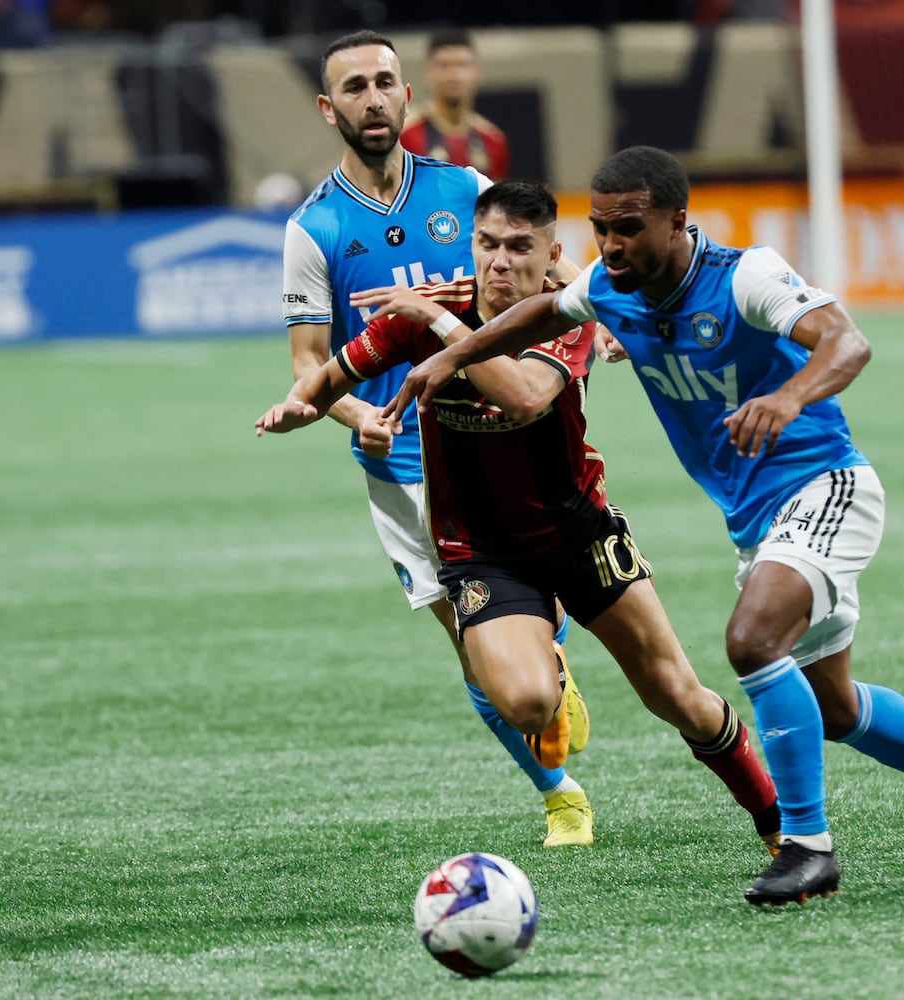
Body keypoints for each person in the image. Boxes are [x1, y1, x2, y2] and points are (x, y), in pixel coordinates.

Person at [386, 146, 904, 905]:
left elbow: (847, 341)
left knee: (752, 642)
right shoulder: (610, 287)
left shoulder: (743, 275)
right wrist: (450, 353)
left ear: (676, 222)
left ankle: (806, 849)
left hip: (826, 487)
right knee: (832, 707)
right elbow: (540, 311)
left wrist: (788, 399)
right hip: (758, 518)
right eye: (600, 228)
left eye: (629, 228)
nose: (612, 245)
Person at [259, 178, 782, 856]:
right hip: (482, 551)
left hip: (578, 533)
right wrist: (311, 407)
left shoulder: (561, 316)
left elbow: (527, 398)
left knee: (679, 696)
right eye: (486, 245)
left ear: (551, 255)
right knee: (526, 704)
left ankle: (778, 824)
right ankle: (551, 670)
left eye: (518, 247)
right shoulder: (425, 311)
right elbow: (331, 378)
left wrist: (442, 331)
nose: (500, 262)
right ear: (471, 245)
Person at [281, 30, 592, 848]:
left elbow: (551, 283)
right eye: (354, 87)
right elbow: (311, 368)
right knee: (476, 654)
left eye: (386, 81)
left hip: (499, 442)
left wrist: (587, 333)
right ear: (329, 109)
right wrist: (361, 418)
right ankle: (561, 795)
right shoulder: (313, 231)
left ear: (407, 96)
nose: (373, 98)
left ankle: (552, 653)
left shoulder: (466, 187)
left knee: (527, 625)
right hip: (404, 472)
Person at [400, 30, 510, 180]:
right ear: (429, 73)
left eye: (462, 65)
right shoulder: (404, 134)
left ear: (476, 73)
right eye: (444, 66)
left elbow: (496, 199)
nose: (454, 75)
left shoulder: (492, 139)